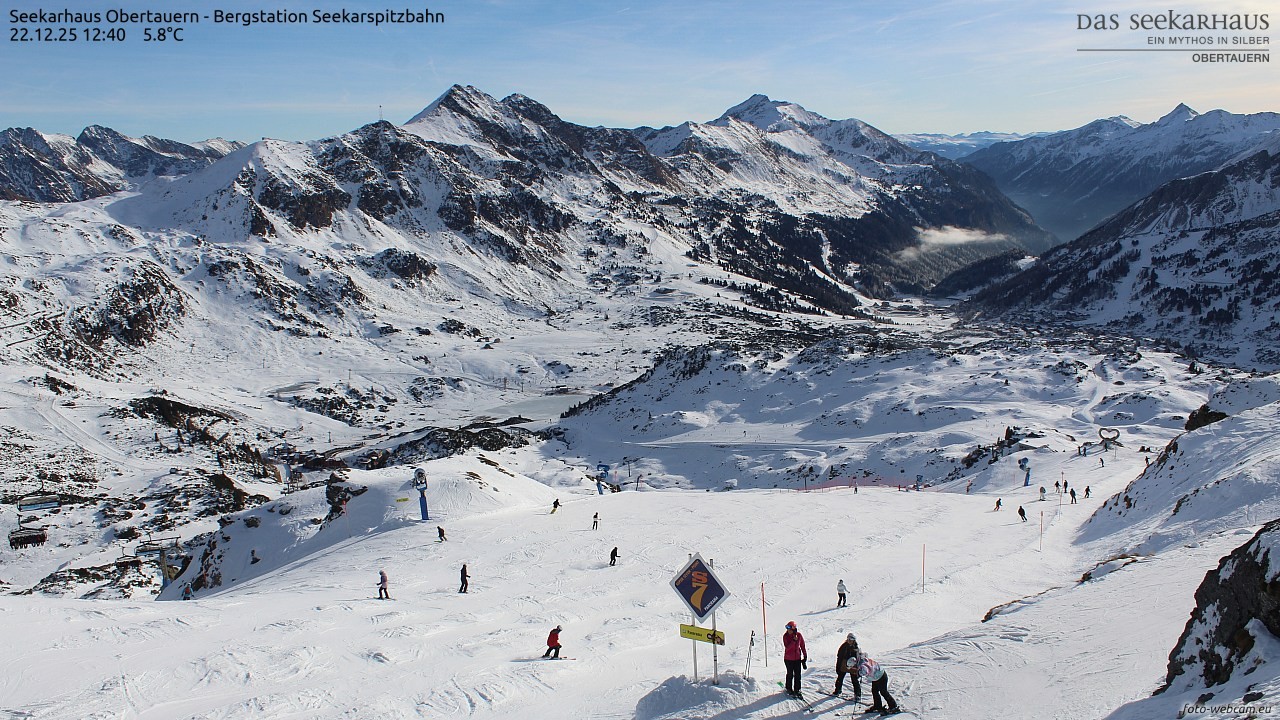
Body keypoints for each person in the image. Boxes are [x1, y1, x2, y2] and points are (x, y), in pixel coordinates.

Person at [832, 633, 861, 702]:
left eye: (851, 639)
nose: (849, 640)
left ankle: (858, 694)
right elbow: (839, 657)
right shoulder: (843, 646)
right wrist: (838, 666)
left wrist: (858, 669)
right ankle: (838, 690)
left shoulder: (855, 647)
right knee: (840, 677)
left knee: (854, 680)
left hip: (852, 664)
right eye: (848, 639)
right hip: (844, 664)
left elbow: (858, 658)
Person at [782, 620, 808, 697]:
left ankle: (797, 689)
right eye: (787, 629)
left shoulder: (799, 635)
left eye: (789, 629)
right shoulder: (785, 636)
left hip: (797, 659)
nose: (788, 631)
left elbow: (802, 645)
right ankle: (788, 688)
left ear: (793, 629)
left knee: (798, 675)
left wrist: (805, 656)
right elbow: (787, 647)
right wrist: (793, 641)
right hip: (788, 659)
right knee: (790, 674)